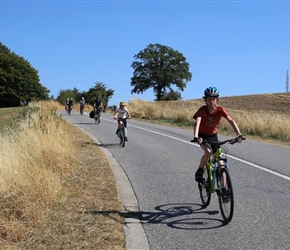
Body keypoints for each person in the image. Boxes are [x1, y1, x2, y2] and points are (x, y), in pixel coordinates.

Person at [192, 87, 243, 198]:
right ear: (205, 100)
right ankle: (200, 171)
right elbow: (198, 122)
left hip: (213, 137)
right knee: (208, 151)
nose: (212, 101)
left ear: (217, 100)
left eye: (214, 99)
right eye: (209, 99)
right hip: (202, 136)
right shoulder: (202, 110)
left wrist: (238, 134)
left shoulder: (220, 110)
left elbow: (231, 120)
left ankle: (224, 190)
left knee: (221, 163)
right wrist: (196, 137)